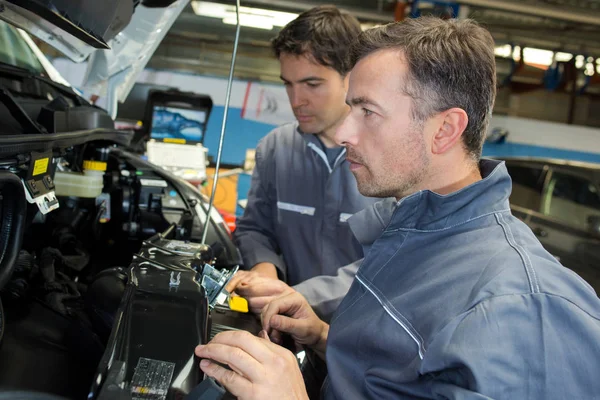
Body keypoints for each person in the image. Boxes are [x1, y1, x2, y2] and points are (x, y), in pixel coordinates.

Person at [196, 16, 600, 399]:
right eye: (351, 107)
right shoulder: (407, 238)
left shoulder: (526, 306)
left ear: (444, 130)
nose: (345, 132)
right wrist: (321, 336)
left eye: (368, 112)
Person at [229, 5, 376, 318]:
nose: (296, 101)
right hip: (285, 324)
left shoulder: (389, 158)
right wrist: (264, 270)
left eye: (312, 84)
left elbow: (392, 258)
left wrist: (297, 296)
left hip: (361, 338)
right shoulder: (275, 149)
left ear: (352, 77)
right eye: (288, 84)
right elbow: (255, 227)